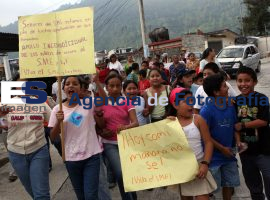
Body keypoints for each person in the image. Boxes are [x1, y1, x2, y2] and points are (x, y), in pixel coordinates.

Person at [49, 75, 106, 200]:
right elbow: (53, 137)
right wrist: (59, 121)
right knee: (81, 196)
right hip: (71, 159)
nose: (71, 86)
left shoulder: (88, 103)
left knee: (91, 195)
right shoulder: (57, 110)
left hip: (92, 157)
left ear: (80, 88)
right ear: (63, 88)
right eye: (67, 83)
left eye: (75, 83)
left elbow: (105, 101)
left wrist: (97, 82)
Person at [0, 74, 52, 200]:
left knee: (41, 194)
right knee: (32, 190)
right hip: (15, 152)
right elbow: (3, 124)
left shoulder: (40, 102)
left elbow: (53, 121)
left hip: (38, 150)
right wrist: (1, 117)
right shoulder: (5, 103)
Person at [168, 88, 217, 199]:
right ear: (175, 105)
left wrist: (205, 163)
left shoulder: (198, 119)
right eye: (186, 101)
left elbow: (208, 142)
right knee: (186, 197)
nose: (191, 104)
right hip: (182, 168)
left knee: (203, 197)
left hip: (198, 167)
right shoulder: (170, 123)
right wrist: (166, 126)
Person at [98, 74, 139, 200]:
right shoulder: (101, 103)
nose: (115, 88)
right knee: (120, 174)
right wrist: (101, 131)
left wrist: (125, 127)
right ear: (107, 87)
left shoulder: (127, 102)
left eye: (118, 86)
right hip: (110, 144)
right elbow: (98, 125)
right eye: (112, 86)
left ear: (121, 87)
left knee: (129, 174)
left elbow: (135, 122)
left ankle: (132, 197)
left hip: (127, 142)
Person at [200, 74, 240, 200]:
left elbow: (234, 126)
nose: (228, 88)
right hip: (214, 158)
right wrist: (222, 148)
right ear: (216, 92)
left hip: (229, 154)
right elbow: (205, 136)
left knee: (229, 184)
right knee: (211, 189)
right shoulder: (206, 111)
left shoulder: (230, 106)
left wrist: (238, 142)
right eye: (224, 86)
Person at [234, 67, 270, 200]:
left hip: (264, 150)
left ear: (254, 82)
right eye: (239, 81)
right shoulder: (235, 101)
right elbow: (234, 125)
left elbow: (264, 121)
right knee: (254, 188)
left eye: (247, 81)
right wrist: (238, 142)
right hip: (246, 153)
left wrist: (243, 125)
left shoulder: (262, 98)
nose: (243, 84)